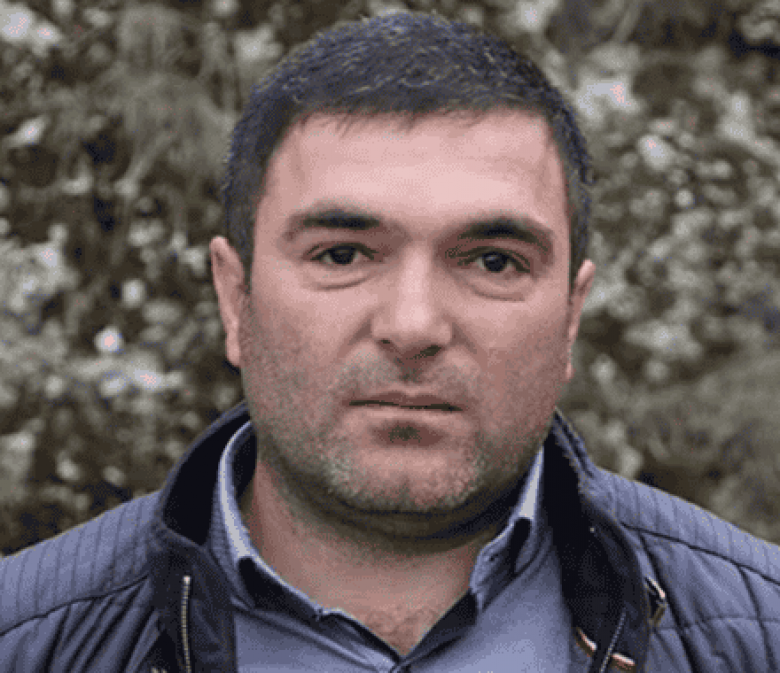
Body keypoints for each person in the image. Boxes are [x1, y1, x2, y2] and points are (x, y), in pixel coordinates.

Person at [1, 11, 779, 673]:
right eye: (342, 254)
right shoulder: (27, 636)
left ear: (570, 315)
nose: (412, 326)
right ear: (235, 299)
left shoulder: (758, 631)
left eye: (493, 261)